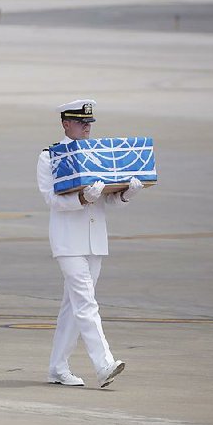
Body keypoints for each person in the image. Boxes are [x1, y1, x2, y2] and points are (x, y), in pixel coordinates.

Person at [36, 99, 145, 388]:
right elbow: (51, 199)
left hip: (95, 240)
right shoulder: (50, 156)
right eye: (81, 123)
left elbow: (109, 199)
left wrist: (127, 193)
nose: (87, 128)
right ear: (65, 123)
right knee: (86, 302)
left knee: (73, 306)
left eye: (89, 123)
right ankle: (104, 364)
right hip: (68, 241)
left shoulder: (99, 153)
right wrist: (82, 199)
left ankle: (58, 368)